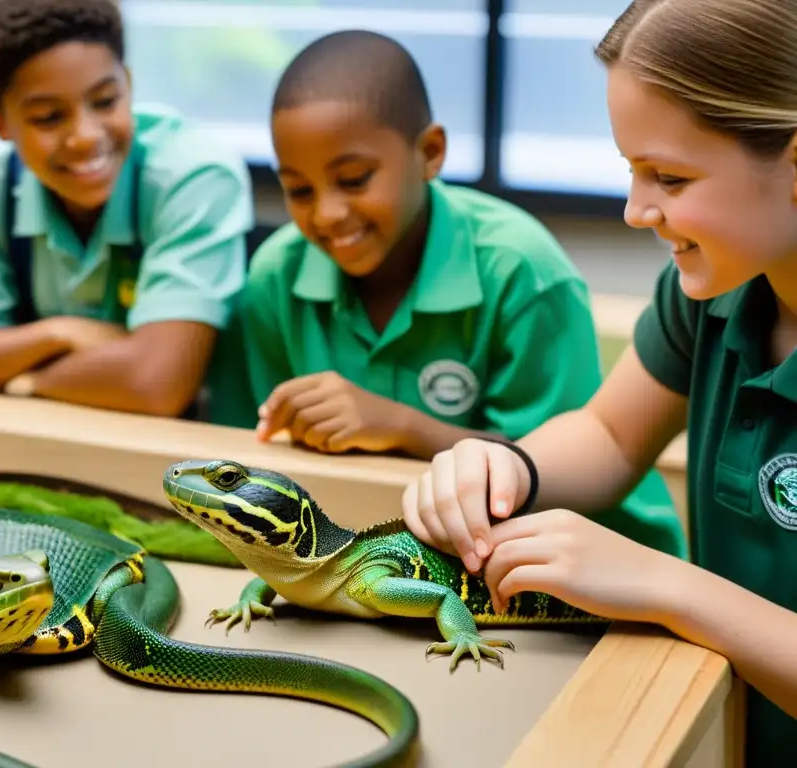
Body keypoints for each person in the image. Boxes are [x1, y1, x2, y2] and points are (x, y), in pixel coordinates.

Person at [401, 1, 797, 763]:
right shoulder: (709, 296)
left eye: (669, 176)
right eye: (629, 169)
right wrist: (509, 464)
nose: (635, 209)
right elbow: (613, 433)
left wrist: (667, 584)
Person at [242, 30, 685, 557]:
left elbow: (551, 474)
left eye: (355, 179)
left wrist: (400, 425)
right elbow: (252, 463)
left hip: (588, 568)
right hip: (393, 557)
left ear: (430, 153)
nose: (328, 213)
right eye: (299, 190)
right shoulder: (275, 277)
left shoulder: (523, 272)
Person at [0, 0, 254, 421]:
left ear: (129, 85)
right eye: (48, 117)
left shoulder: (192, 174)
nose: (84, 137)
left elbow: (155, 386)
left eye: (105, 101)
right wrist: (57, 334)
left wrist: (21, 379)